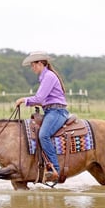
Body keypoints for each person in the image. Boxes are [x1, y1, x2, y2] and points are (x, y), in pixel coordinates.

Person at [16, 51, 69, 182]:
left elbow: (40, 98)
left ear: (40, 63)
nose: (32, 68)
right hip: (50, 111)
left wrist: (24, 100)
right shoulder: (45, 77)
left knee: (43, 135)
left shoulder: (49, 76)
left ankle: (54, 169)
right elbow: (42, 99)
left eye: (33, 65)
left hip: (56, 112)